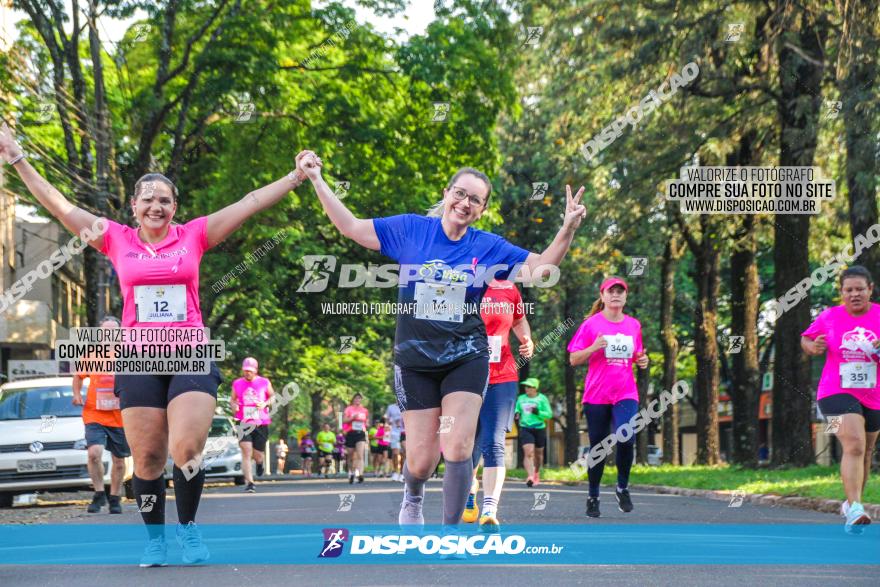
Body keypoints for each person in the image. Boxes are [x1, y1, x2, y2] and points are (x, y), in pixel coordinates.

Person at [0, 123, 312, 566]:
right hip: (138, 358)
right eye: (147, 198)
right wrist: (16, 156)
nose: (155, 205)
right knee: (146, 459)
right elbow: (59, 204)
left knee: (186, 449)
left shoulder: (195, 236)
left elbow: (248, 203)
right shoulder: (114, 238)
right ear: (133, 207)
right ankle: (154, 539)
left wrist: (296, 176)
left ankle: (188, 529)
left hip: (188, 352)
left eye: (164, 199)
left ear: (175, 208)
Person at [296, 150, 586, 530]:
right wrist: (317, 179)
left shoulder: (487, 246)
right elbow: (350, 226)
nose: (465, 203)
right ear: (447, 193)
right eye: (460, 194)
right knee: (421, 461)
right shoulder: (410, 230)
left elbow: (540, 269)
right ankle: (413, 495)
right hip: (415, 361)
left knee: (459, 447)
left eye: (475, 200)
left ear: (481, 210)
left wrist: (567, 229)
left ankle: (450, 535)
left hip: (466, 356)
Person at [802, 265, 879, 533]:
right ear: (841, 293)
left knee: (866, 451)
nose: (854, 294)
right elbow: (807, 338)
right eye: (849, 290)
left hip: (874, 394)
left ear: (870, 289)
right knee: (855, 444)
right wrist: (813, 347)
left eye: (860, 289)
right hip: (833, 391)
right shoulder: (830, 316)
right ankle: (856, 508)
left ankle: (851, 504)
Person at [567, 276, 648, 518]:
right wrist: (594, 347)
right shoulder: (591, 325)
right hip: (597, 394)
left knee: (626, 437)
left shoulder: (634, 325)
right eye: (610, 291)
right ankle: (593, 495)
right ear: (602, 296)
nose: (615, 295)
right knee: (599, 446)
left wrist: (643, 360)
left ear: (625, 297)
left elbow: (638, 355)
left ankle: (622, 487)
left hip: (625, 392)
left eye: (620, 291)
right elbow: (573, 359)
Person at [462, 279, 534, 532]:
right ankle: (469, 488)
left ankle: (490, 509)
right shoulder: (461, 282)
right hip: (464, 376)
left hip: (502, 375)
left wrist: (526, 339)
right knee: (466, 446)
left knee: (494, 442)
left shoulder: (507, 287)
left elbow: (518, 319)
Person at [72, 316, 130, 515]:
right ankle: (98, 494)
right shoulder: (92, 354)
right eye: (106, 331)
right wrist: (77, 394)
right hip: (94, 413)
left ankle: (114, 497)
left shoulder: (128, 355)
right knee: (94, 454)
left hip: (120, 416)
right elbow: (78, 377)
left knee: (119, 461)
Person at [231, 357, 276, 493]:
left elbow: (273, 396)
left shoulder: (264, 382)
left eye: (250, 371)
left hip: (261, 422)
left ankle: (260, 463)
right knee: (246, 451)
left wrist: (265, 403)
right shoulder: (237, 383)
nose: (247, 373)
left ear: (255, 371)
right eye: (245, 370)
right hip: (243, 421)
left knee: (258, 455)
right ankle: (250, 483)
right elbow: (232, 399)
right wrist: (234, 406)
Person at [514, 378, 552, 488]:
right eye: (526, 386)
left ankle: (536, 472)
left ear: (535, 388)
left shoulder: (542, 398)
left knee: (539, 454)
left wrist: (538, 412)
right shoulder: (521, 398)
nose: (527, 389)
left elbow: (549, 414)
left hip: (539, 427)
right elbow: (517, 408)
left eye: (530, 387)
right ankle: (530, 476)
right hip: (526, 427)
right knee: (529, 452)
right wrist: (517, 413)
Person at [343, 393, 369, 483]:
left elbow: (366, 422)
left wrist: (367, 425)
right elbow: (344, 420)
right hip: (351, 433)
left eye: (359, 399)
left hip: (360, 433)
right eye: (356, 398)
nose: (358, 400)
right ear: (353, 399)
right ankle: (351, 473)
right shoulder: (349, 409)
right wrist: (352, 418)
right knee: (350, 456)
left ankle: (360, 474)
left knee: (360, 455)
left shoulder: (364, 410)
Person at [385, 402, 405, 482]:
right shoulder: (391, 407)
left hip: (405, 432)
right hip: (394, 432)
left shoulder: (407, 405)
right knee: (396, 453)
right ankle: (396, 472)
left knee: (404, 453)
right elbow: (387, 420)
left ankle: (402, 473)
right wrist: (392, 421)